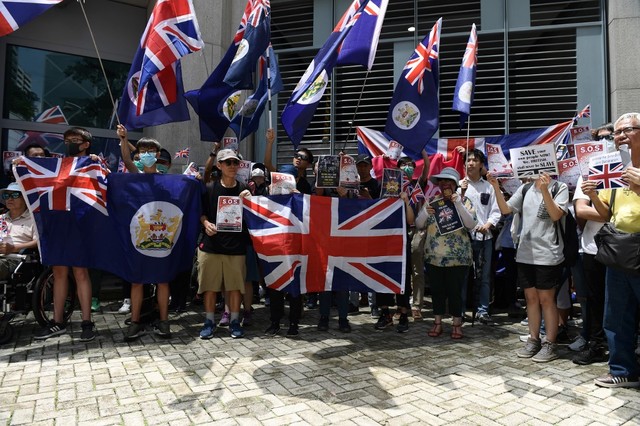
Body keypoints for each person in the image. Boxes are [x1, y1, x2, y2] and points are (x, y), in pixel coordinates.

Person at [583, 112, 640, 388]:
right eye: (616, 133)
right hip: (619, 250)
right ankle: (622, 370)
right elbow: (605, 213)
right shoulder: (614, 169)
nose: (619, 137)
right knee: (616, 315)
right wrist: (593, 194)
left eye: (626, 131)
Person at [488, 171, 569, 362]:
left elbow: (556, 215)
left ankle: (550, 343)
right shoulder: (524, 188)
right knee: (530, 298)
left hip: (548, 253)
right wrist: (496, 187)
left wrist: (545, 190)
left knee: (547, 299)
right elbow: (506, 210)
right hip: (525, 252)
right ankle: (534, 339)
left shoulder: (560, 187)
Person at [34, 127, 97, 341]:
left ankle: (87, 322)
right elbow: (35, 175)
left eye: (75, 139)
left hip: (80, 224)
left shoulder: (93, 163)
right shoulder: (56, 164)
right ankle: (58, 321)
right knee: (59, 273)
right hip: (57, 222)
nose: (70, 142)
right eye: (67, 139)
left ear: (86, 144)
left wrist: (97, 161)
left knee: (80, 273)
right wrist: (22, 166)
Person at [117, 124, 172, 341]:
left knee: (162, 279)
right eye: (143, 151)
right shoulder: (135, 174)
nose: (147, 155)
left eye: (151, 151)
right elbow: (127, 161)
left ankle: (164, 321)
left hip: (161, 236)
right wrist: (123, 139)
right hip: (139, 236)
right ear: (138, 154)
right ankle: (136, 321)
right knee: (137, 280)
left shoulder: (167, 179)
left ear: (157, 155)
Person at [570, 123, 614, 364]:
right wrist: (610, 213)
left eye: (612, 137)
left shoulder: (630, 171)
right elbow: (582, 210)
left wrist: (605, 211)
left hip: (626, 248)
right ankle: (596, 344)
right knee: (595, 300)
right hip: (593, 248)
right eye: (602, 139)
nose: (607, 143)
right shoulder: (587, 174)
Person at [416, 167, 477, 340]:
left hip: (458, 257)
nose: (444, 185)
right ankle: (437, 322)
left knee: (455, 292)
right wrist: (424, 211)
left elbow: (471, 224)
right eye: (441, 182)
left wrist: (457, 203)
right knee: (437, 291)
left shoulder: (465, 201)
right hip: (434, 256)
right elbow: (420, 224)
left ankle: (457, 323)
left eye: (448, 181)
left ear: (455, 184)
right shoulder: (433, 201)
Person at [198, 149, 251, 339]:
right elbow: (202, 213)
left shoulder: (245, 189)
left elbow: (253, 217)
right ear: (219, 166)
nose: (232, 166)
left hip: (236, 247)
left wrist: (250, 203)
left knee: (235, 287)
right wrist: (206, 224)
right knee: (210, 287)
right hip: (211, 246)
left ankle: (235, 321)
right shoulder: (210, 188)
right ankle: (209, 321)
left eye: (235, 163)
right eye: (227, 163)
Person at [459, 149, 501, 324]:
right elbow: (456, 211)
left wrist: (488, 225)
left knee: (484, 276)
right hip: (464, 238)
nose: (470, 163)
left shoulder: (489, 186)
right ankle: (459, 311)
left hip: (485, 238)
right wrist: (460, 194)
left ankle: (483, 310)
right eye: (468, 160)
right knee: (462, 276)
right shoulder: (460, 185)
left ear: (481, 165)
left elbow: (496, 210)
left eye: (474, 160)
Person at [0, 183, 37, 280]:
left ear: (25, 198)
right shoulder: (1, 218)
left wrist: (13, 248)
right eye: (6, 196)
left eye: (15, 195)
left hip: (16, 260)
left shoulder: (33, 219)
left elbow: (38, 242)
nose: (9, 199)